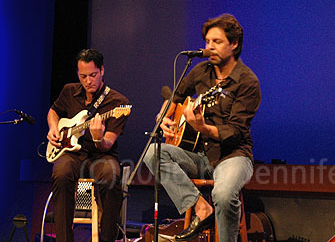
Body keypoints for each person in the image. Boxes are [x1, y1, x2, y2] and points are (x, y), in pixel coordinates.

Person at [143, 14, 261, 242]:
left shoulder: (247, 82)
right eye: (208, 42)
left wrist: (202, 127)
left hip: (233, 156)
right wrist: (163, 117)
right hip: (199, 155)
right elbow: (174, 97)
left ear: (234, 44)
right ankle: (200, 208)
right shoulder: (201, 71)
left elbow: (234, 133)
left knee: (224, 194)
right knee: (153, 153)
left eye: (217, 42)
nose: (209, 47)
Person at [46, 48, 130, 242]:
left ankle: (107, 238)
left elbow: (108, 143)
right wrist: (53, 127)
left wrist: (98, 137)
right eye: (83, 76)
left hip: (101, 155)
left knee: (111, 174)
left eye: (93, 75)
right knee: (61, 173)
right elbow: (53, 111)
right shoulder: (69, 91)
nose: (88, 81)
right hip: (72, 154)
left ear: (102, 71)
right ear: (78, 74)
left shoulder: (118, 103)